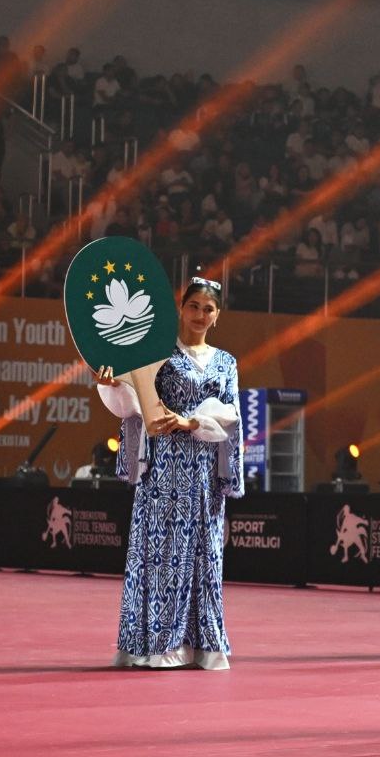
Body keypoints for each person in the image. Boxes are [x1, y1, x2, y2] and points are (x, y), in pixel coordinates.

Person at [95, 277, 242, 670]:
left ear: (217, 315)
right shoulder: (157, 353)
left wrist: (191, 422)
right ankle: (156, 645)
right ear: (180, 308)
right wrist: (111, 384)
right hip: (163, 470)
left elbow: (230, 415)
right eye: (193, 306)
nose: (200, 315)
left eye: (208, 309)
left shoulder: (226, 362)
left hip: (205, 474)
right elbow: (132, 401)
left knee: (205, 555)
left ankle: (202, 645)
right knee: (159, 554)